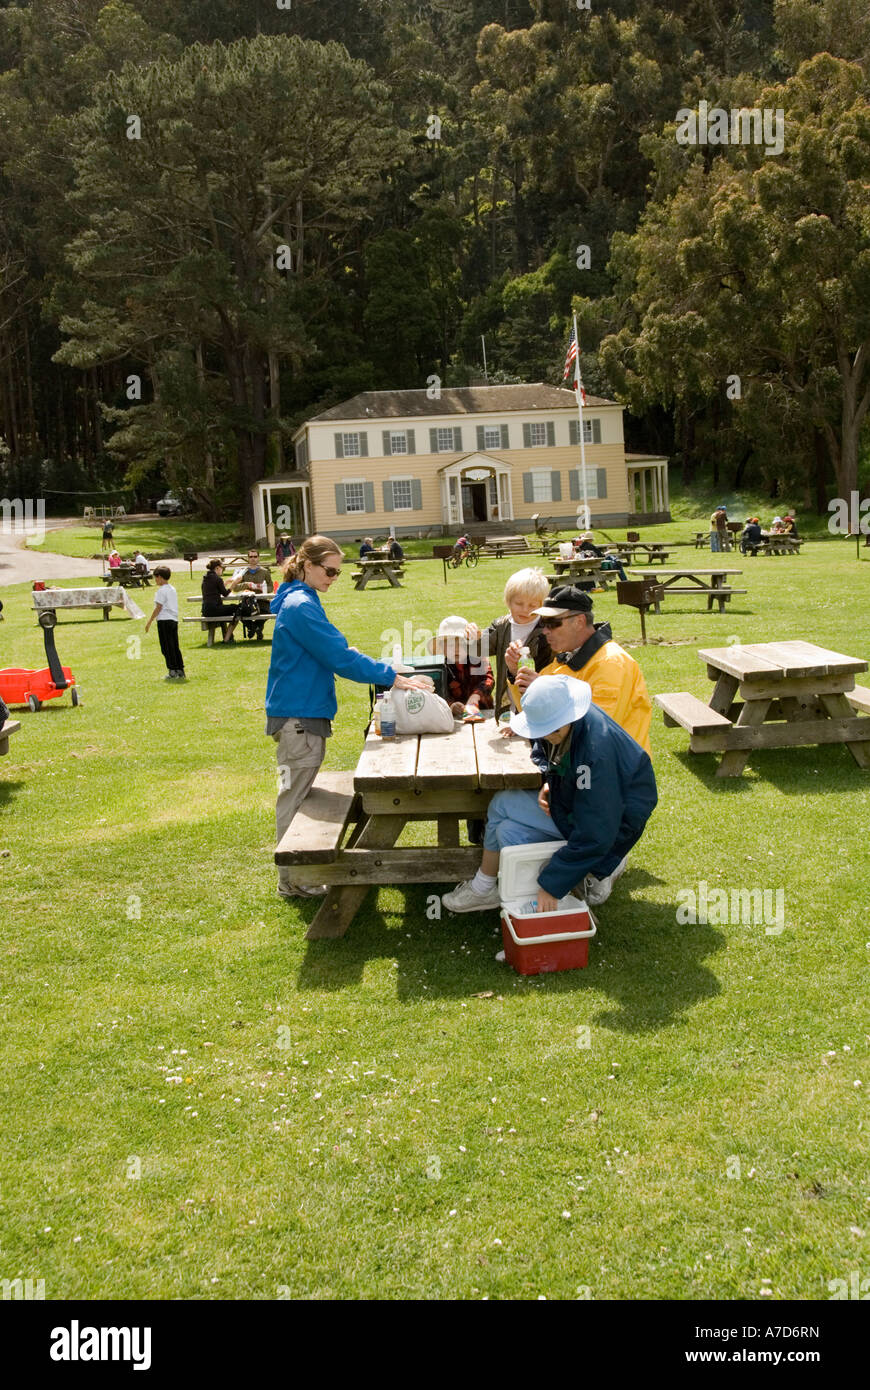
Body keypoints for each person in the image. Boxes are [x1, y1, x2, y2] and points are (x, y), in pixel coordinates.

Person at [266, 534, 428, 901]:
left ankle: (296, 876)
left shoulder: (300, 599)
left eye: (338, 573)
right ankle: (296, 879)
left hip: (301, 713)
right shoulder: (300, 606)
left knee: (299, 792)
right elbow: (339, 657)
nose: (334, 579)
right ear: (307, 565)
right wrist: (395, 678)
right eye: (329, 571)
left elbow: (329, 652)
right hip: (299, 717)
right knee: (296, 796)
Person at [442, 675, 657, 914]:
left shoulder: (596, 757)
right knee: (507, 832)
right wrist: (552, 784)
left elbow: (596, 830)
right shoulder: (571, 722)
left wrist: (552, 885)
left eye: (547, 731)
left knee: (502, 807)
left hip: (613, 826)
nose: (543, 736)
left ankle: (596, 868)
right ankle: (578, 878)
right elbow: (557, 759)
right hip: (582, 807)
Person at [510, 586, 652, 753]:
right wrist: (515, 674)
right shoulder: (565, 658)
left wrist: (547, 691)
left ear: (579, 621)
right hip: (582, 766)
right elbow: (533, 715)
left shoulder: (611, 663)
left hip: (616, 770)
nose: (545, 631)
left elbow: (598, 728)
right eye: (543, 623)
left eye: (553, 623)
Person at [467, 567, 551, 720]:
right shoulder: (501, 626)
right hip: (509, 707)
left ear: (542, 605)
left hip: (539, 707)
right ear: (508, 601)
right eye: (519, 603)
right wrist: (472, 636)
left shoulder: (547, 631)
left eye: (533, 605)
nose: (526, 610)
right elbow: (477, 650)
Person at [427, 616, 494, 721]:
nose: (456, 649)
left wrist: (475, 696)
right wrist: (451, 705)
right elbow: (437, 692)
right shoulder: (441, 668)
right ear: (442, 648)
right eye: (450, 645)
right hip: (453, 716)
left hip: (483, 709)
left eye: (462, 644)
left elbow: (488, 679)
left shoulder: (478, 657)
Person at [145, 566, 186, 681]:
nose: (155, 580)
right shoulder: (172, 589)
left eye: (156, 578)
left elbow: (158, 607)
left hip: (164, 620)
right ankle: (180, 669)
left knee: (166, 647)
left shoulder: (161, 591)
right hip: (173, 620)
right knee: (174, 645)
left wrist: (150, 620)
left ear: (160, 577)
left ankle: (172, 670)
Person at [230, 548, 272, 638]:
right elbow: (235, 588)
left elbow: (271, 587)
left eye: (255, 556)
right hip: (247, 601)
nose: (253, 558)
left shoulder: (265, 572)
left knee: (267, 611)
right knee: (239, 613)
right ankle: (251, 627)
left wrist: (262, 588)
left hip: (261, 600)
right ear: (248, 558)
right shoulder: (242, 572)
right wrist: (246, 585)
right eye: (251, 557)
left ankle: (258, 627)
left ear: (258, 558)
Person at [201, 558, 239, 642]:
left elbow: (214, 589)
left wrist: (225, 583)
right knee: (237, 609)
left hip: (205, 610)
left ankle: (228, 637)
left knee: (226, 609)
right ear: (217, 568)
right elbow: (225, 594)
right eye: (222, 568)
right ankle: (227, 638)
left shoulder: (205, 578)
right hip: (214, 609)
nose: (222, 570)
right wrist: (233, 584)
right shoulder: (217, 579)